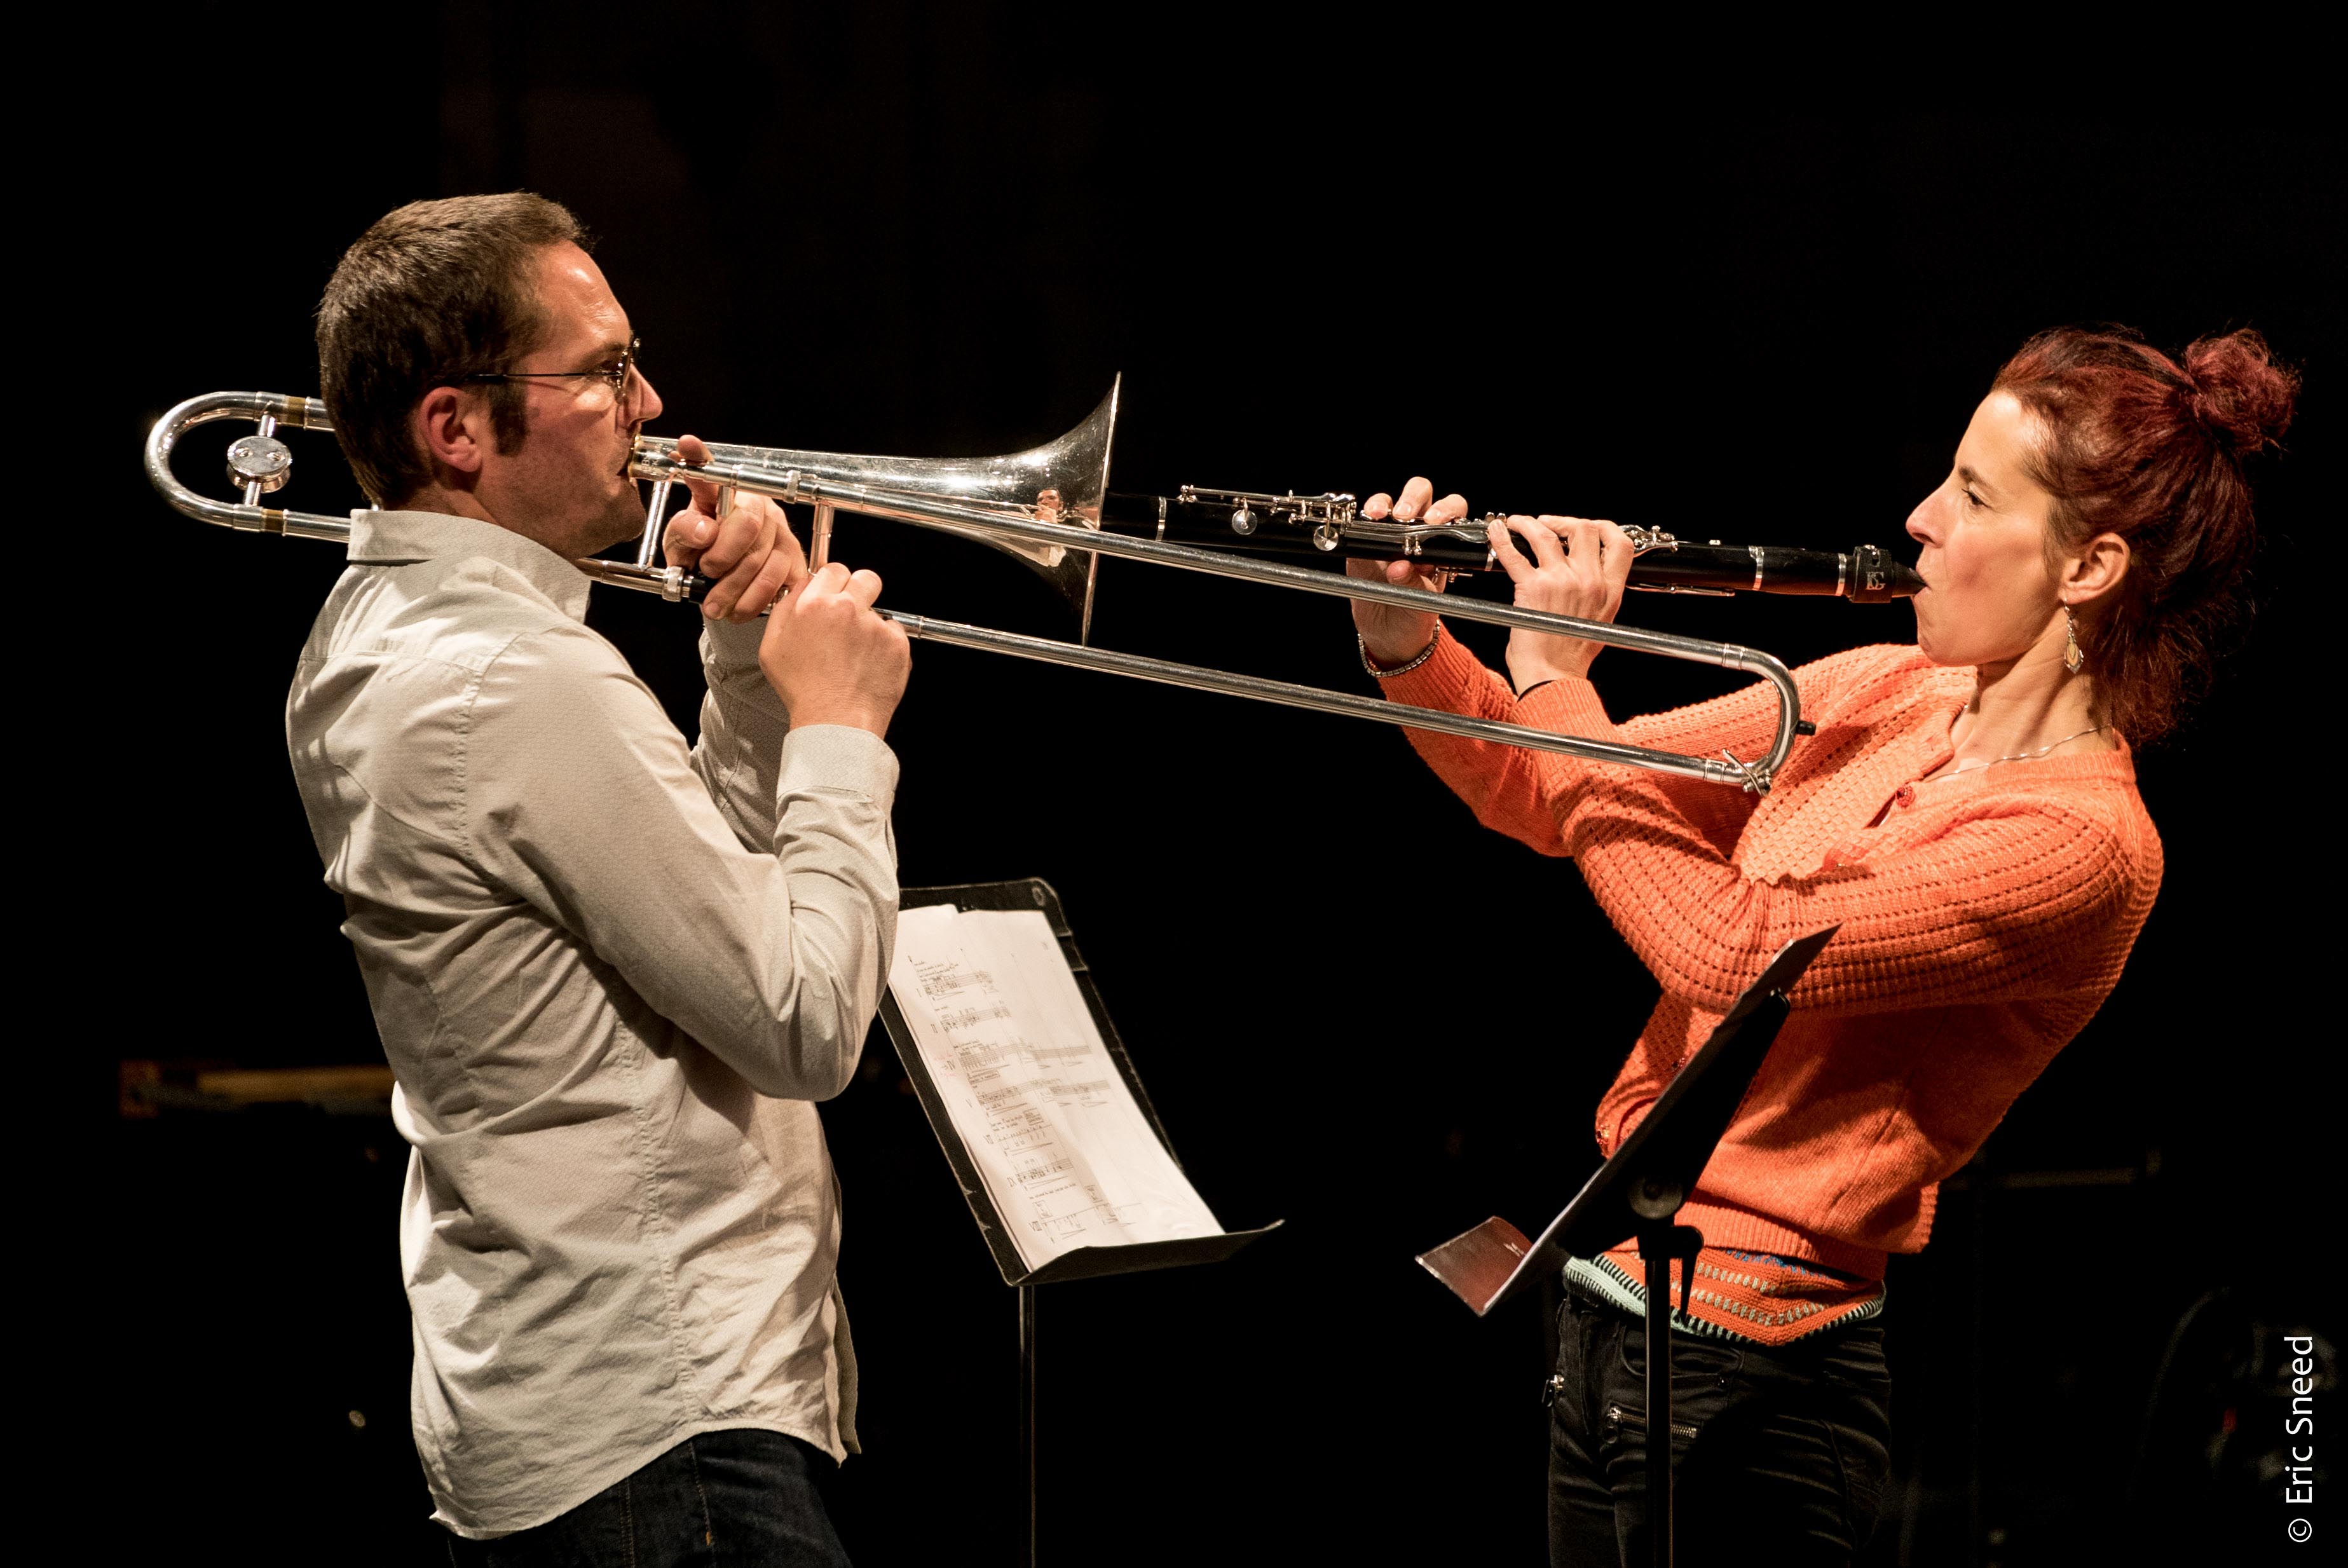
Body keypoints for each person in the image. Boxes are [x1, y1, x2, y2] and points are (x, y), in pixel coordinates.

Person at [1349, 326, 2296, 1563]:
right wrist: (1408, 644)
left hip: (1754, 1379)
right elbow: (1558, 795)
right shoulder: (1888, 688)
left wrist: (1554, 678)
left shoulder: (2078, 842)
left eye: (1968, 494)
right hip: (1603, 1312)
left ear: (2088, 564)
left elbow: (1730, 953)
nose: (1916, 518)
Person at [291, 193, 911, 1565]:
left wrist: (751, 667)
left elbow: (716, 932)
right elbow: (804, 1023)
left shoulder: (376, 633)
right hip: (664, 1428)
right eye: (601, 373)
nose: (653, 401)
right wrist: (838, 731)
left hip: (593, 1408)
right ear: (456, 430)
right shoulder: (520, 679)